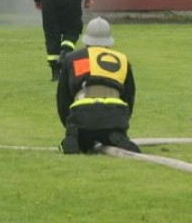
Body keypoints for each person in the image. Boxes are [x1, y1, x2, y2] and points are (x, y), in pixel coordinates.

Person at [56, 17, 140, 154]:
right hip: (115, 116)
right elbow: (129, 97)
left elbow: (63, 99)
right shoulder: (122, 59)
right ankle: (115, 135)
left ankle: (74, 137)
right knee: (111, 133)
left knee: (79, 140)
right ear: (108, 41)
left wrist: (69, 125)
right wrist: (122, 123)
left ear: (87, 39)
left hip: (82, 117)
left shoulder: (72, 58)